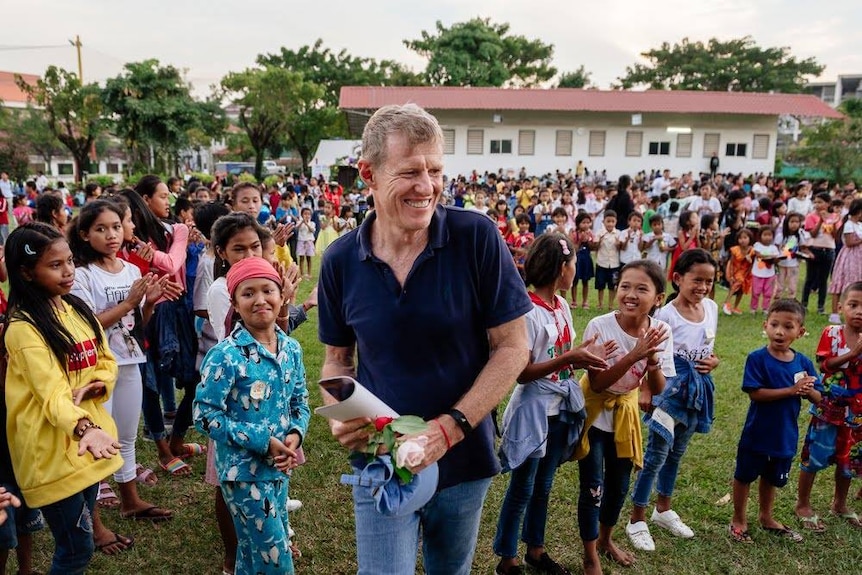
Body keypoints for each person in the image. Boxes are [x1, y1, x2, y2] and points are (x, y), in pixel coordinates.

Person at [317, 103, 532, 575]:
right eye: (410, 172)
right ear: (368, 173)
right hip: (381, 460)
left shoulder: (475, 238)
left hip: (463, 460)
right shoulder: (339, 261)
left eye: (435, 171)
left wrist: (450, 427)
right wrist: (340, 409)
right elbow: (336, 358)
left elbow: (514, 346)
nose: (428, 187)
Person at [2, 223, 126, 573]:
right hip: (52, 453)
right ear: (26, 272)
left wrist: (99, 384)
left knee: (79, 543)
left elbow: (106, 359)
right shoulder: (24, 328)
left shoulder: (75, 309)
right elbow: (52, 393)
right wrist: (85, 428)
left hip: (85, 446)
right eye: (55, 265)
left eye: (69, 261)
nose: (68, 270)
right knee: (75, 551)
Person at [493, 233, 612, 575]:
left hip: (559, 410)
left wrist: (584, 359)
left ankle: (535, 549)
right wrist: (570, 359)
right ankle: (507, 558)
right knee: (523, 486)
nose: (576, 269)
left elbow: (560, 357)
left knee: (544, 486)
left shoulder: (561, 306)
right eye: (574, 263)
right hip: (534, 410)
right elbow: (522, 373)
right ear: (563, 268)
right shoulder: (527, 312)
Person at [195, 257, 310, 575]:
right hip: (243, 474)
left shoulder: (290, 349)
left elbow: (300, 402)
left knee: (254, 555)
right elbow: (204, 416)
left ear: (281, 296)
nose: (260, 300)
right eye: (248, 294)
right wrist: (263, 441)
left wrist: (295, 434)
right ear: (234, 302)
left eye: (267, 290)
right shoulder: (225, 356)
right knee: (276, 560)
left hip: (279, 471)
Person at [67, 199, 177, 522]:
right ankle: (93, 515)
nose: (111, 235)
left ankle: (130, 499)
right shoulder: (83, 275)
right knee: (100, 436)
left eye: (116, 227)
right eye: (101, 229)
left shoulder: (131, 269)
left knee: (126, 435)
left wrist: (149, 305)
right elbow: (89, 325)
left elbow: (136, 322)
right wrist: (130, 301)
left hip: (130, 361)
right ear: (85, 235)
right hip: (98, 368)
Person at [574, 260, 673, 575]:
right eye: (625, 286)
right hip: (593, 412)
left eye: (642, 289)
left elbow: (657, 388)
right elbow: (599, 382)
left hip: (624, 415)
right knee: (593, 486)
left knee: (618, 485)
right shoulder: (600, 326)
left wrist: (652, 361)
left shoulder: (661, 331)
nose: (630, 294)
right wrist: (634, 355)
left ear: (658, 298)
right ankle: (590, 555)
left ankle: (605, 539)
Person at [626, 250, 719, 551]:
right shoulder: (665, 315)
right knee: (655, 455)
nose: (703, 287)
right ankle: (636, 518)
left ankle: (662, 509)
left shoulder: (713, 308)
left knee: (677, 453)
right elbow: (650, 354)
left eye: (709, 281)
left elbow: (707, 347)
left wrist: (712, 362)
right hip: (668, 390)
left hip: (694, 393)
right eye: (697, 280)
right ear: (678, 279)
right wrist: (645, 390)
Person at [729, 299, 821, 544]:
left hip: (784, 435)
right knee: (744, 476)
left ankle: (766, 517)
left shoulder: (803, 363)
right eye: (774, 324)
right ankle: (739, 519)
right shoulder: (757, 358)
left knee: (771, 478)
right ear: (765, 325)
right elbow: (755, 393)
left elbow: (819, 396)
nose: (780, 331)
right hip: (757, 433)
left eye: (788, 326)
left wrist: (808, 390)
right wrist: (791, 390)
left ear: (800, 332)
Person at [795, 282, 862, 531]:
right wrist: (853, 353)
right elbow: (826, 365)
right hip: (829, 408)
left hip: (857, 413)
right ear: (842, 306)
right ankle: (802, 503)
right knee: (814, 455)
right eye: (853, 305)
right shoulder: (832, 333)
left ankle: (840, 503)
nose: (859, 311)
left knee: (849, 461)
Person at [801, 192, 838, 315]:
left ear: (828, 204)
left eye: (820, 202)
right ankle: (804, 305)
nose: (817, 205)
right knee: (810, 278)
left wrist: (833, 223)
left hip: (829, 250)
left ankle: (820, 307)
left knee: (823, 279)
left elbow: (836, 236)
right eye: (815, 202)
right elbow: (812, 234)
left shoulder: (834, 216)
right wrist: (821, 221)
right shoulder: (811, 217)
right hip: (814, 249)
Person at [827, 199, 862, 324]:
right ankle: (835, 313)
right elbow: (849, 242)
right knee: (843, 283)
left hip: (859, 258)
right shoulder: (849, 224)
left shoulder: (859, 225)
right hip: (850, 257)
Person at [592, 210, 620, 311]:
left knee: (613, 286)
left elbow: (621, 247)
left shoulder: (618, 234)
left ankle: (611, 304)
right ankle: (600, 303)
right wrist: (599, 241)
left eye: (612, 221)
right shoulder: (599, 233)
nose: (610, 224)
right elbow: (595, 247)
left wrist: (619, 244)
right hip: (602, 263)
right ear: (603, 222)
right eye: (608, 221)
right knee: (600, 285)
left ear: (615, 222)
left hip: (614, 264)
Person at [775, 213, 806, 300]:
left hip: (793, 263)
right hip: (781, 263)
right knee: (779, 283)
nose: (794, 224)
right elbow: (776, 248)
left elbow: (803, 247)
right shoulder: (781, 236)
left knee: (792, 284)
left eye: (797, 222)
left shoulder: (799, 235)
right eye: (792, 222)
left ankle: (791, 299)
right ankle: (777, 299)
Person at [722, 229, 754, 316]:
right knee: (735, 285)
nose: (742, 240)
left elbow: (753, 263)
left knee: (741, 290)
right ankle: (727, 303)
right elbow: (732, 262)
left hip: (746, 272)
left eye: (745, 237)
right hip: (735, 270)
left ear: (750, 238)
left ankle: (735, 307)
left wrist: (749, 261)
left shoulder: (752, 250)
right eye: (740, 238)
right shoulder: (735, 249)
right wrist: (731, 275)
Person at [751, 226, 781, 315]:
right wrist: (771, 257)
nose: (767, 237)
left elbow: (777, 259)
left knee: (768, 292)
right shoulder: (757, 245)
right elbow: (758, 255)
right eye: (765, 235)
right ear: (760, 236)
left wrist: (778, 258)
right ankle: (753, 308)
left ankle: (766, 308)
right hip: (757, 273)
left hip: (769, 274)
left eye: (770, 235)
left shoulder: (774, 248)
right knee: (756, 292)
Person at [572, 213, 595, 309]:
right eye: (583, 222)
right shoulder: (574, 234)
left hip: (586, 259)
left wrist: (589, 240)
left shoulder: (590, 234)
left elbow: (593, 248)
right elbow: (574, 249)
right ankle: (574, 301)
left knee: (585, 281)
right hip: (577, 259)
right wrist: (580, 240)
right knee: (575, 281)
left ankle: (585, 301)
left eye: (588, 222)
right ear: (578, 224)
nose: (586, 225)